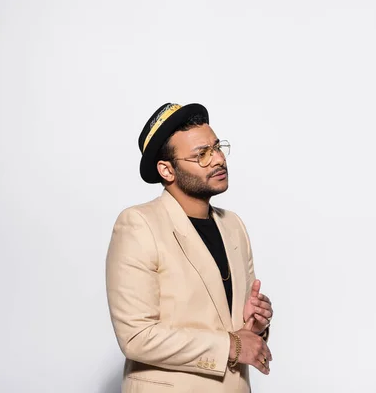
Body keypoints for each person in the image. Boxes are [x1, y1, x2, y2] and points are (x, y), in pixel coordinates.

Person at [105, 103, 274, 393]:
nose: (218, 159)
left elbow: (234, 327)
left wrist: (254, 324)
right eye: (201, 155)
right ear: (167, 170)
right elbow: (136, 336)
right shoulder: (138, 224)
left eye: (217, 147)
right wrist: (232, 346)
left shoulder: (233, 225)